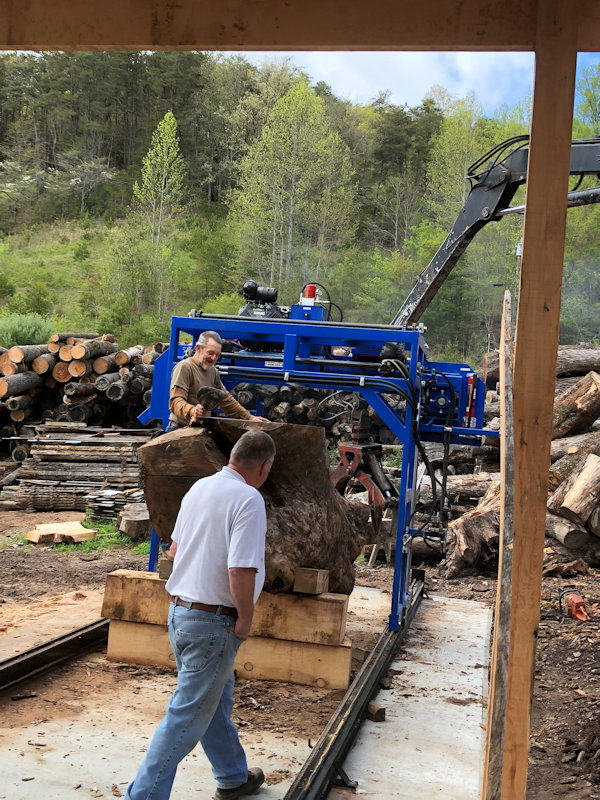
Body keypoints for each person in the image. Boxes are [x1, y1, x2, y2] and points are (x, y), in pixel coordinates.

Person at [125, 429, 276, 800]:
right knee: (186, 716)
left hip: (181, 613)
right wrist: (245, 617)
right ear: (264, 467)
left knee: (213, 700)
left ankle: (233, 777)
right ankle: (142, 796)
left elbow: (174, 550)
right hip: (214, 623)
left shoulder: (200, 488)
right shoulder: (249, 499)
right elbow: (241, 569)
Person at [166, 330, 266, 431]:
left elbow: (226, 399)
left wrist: (249, 418)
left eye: (217, 355)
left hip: (198, 430)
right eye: (210, 353)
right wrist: (192, 411)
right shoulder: (185, 367)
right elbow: (175, 402)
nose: (214, 358)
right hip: (179, 429)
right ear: (198, 348)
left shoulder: (212, 371)